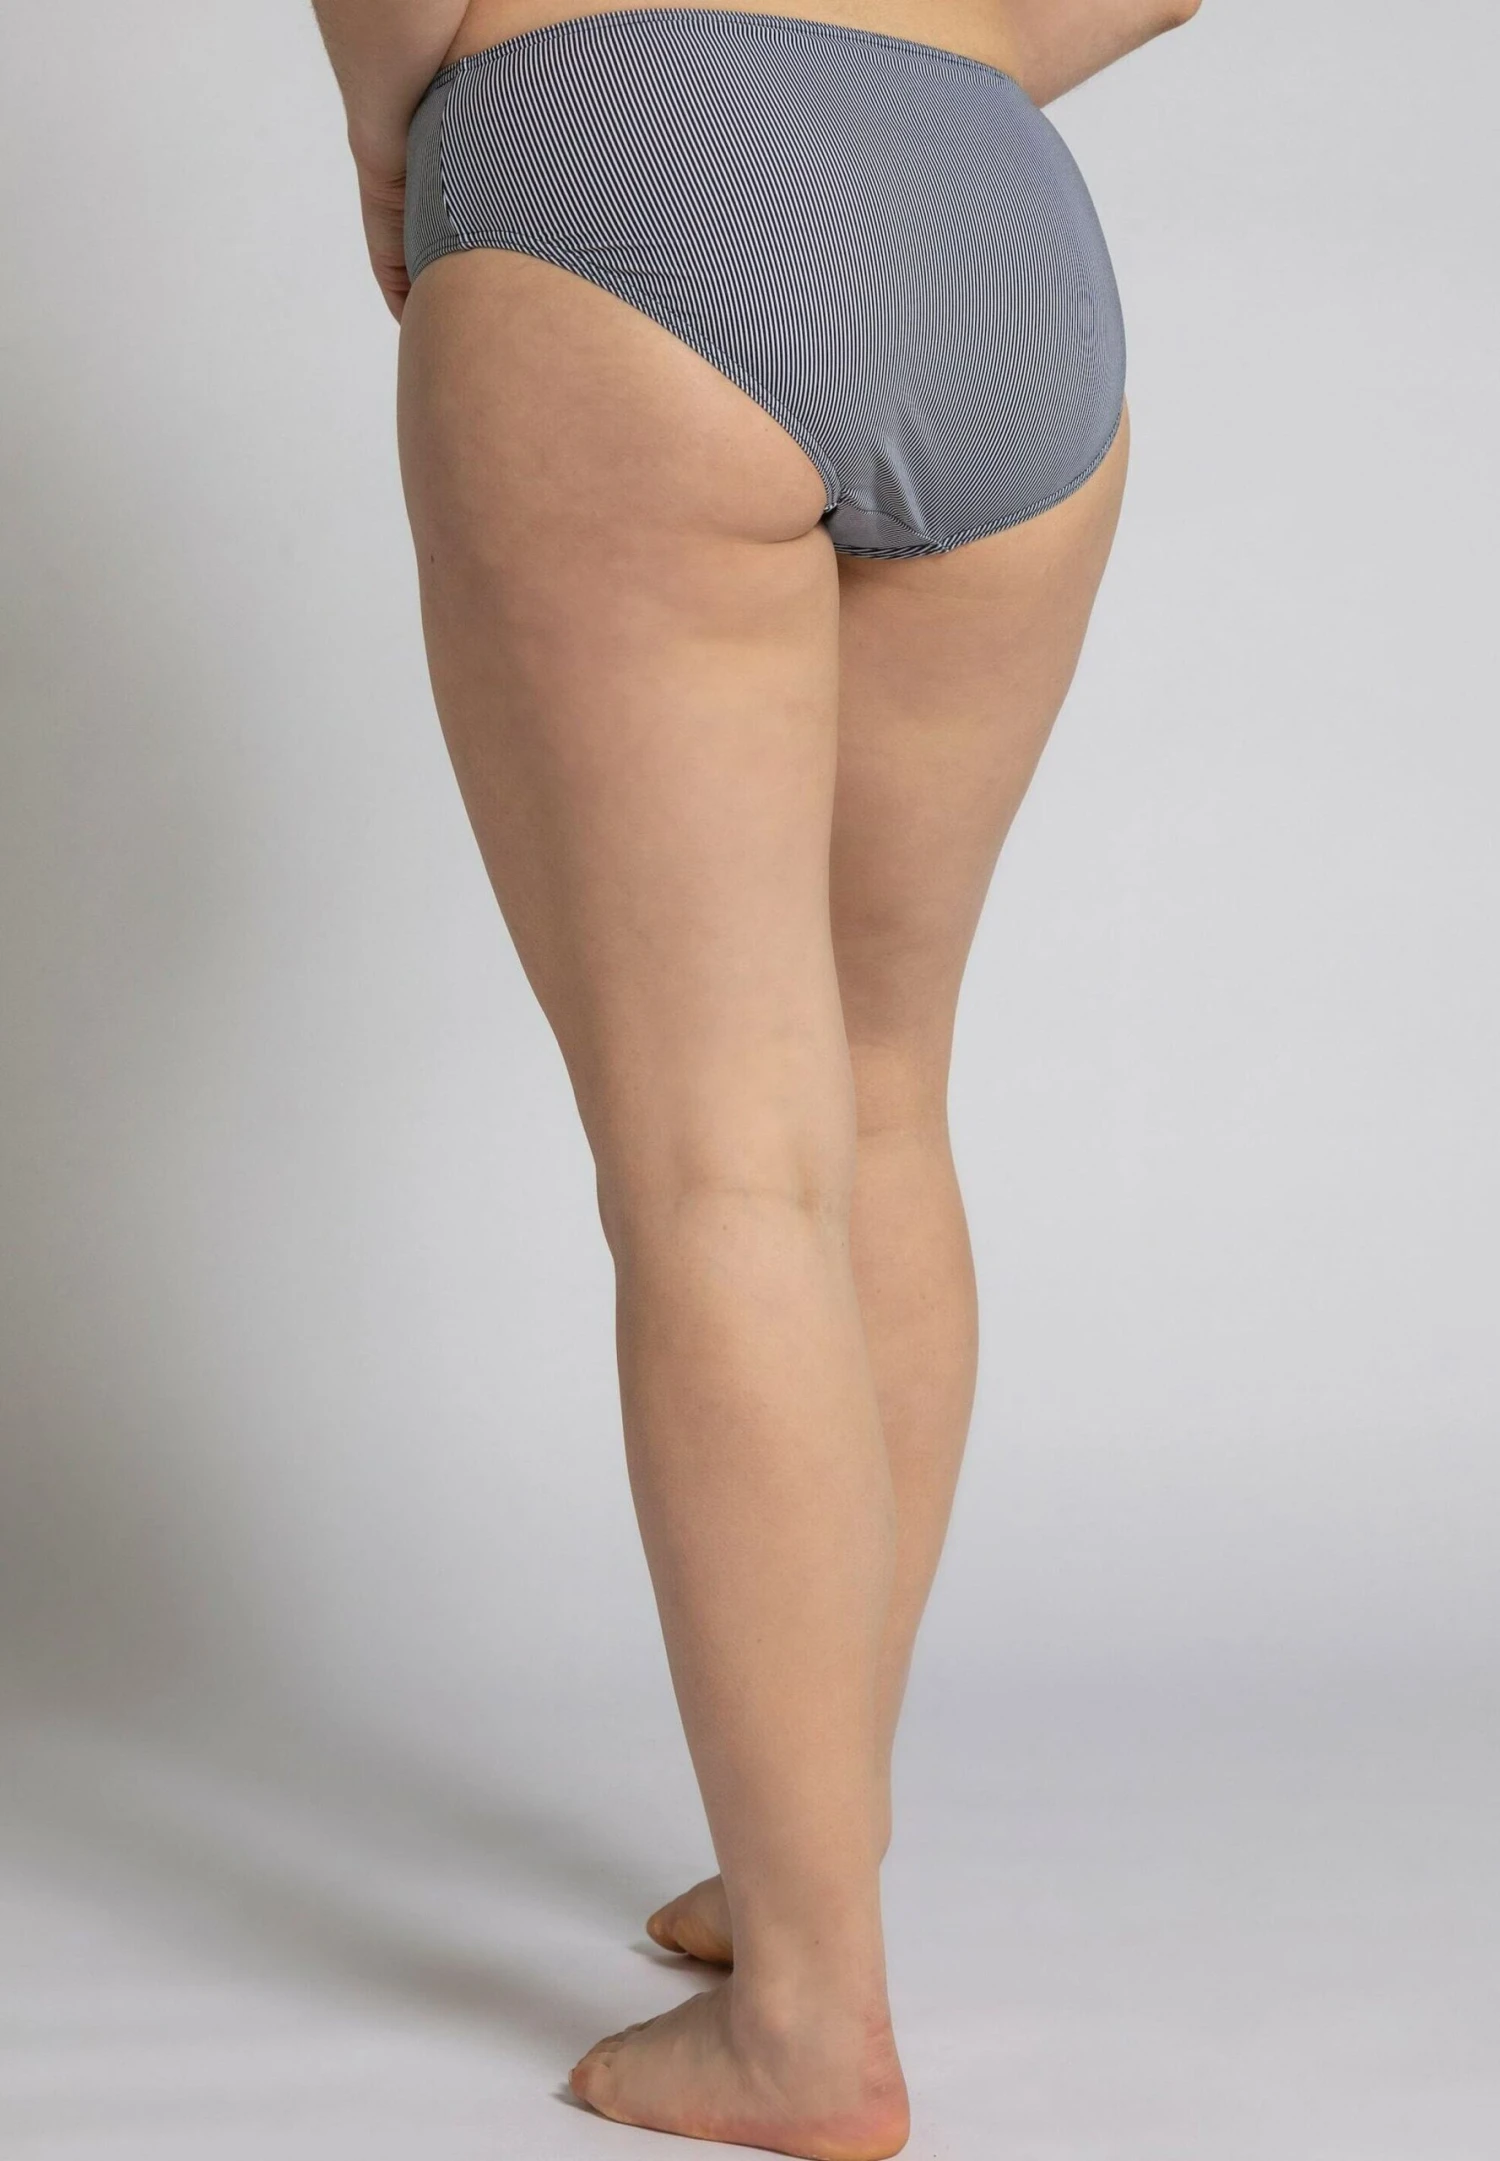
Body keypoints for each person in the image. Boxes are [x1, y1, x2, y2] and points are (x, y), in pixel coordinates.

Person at [309, 2, 1201, 2153]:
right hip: (990, 214)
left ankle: (809, 2023)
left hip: (615, 148)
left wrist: (389, 136)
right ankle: (805, 1856)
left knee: (723, 1160)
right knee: (876, 1091)